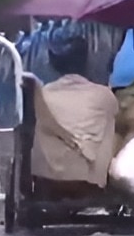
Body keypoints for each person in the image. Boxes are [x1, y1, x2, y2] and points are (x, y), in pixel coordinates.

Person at [30, 35, 119, 194]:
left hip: (48, 179)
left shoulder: (43, 95)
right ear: (87, 62)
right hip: (88, 181)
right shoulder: (103, 95)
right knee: (112, 122)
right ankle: (104, 179)